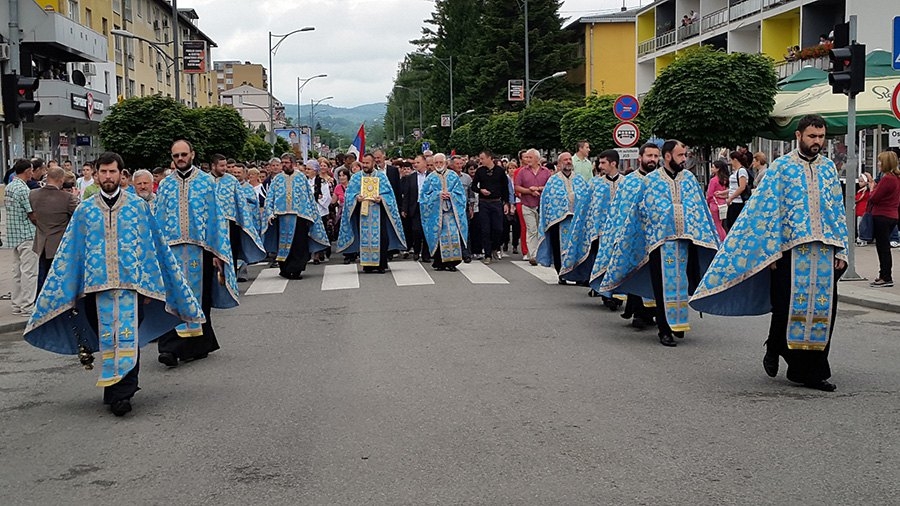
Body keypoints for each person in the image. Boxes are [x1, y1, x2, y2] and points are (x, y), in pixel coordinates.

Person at [24, 151, 204, 416]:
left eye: (112, 171)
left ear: (122, 175)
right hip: (96, 290)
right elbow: (71, 252)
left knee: (128, 338)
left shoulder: (137, 207)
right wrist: (72, 289)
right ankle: (114, 389)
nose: (108, 176)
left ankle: (124, 393)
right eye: (103, 172)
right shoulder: (85, 210)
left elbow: (152, 249)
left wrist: (149, 287)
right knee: (108, 338)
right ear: (96, 175)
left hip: (132, 288)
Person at [691, 114, 848, 391]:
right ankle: (780, 350)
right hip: (789, 251)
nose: (817, 142)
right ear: (798, 136)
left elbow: (836, 209)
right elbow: (765, 211)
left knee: (823, 310)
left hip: (823, 250)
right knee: (787, 307)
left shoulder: (828, 169)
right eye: (812, 136)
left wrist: (842, 250)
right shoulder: (781, 168)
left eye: (821, 137)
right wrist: (770, 251)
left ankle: (812, 369)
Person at [599, 140, 720, 347]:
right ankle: (664, 329)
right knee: (662, 286)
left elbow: (698, 207)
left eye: (685, 155)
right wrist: (674, 214)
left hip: (685, 240)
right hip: (659, 242)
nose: (684, 159)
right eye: (680, 155)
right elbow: (647, 209)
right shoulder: (651, 181)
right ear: (668, 156)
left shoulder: (689, 179)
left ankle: (678, 324)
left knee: (682, 282)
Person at [154, 139, 239, 367]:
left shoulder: (206, 183)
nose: (180, 159)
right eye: (176, 156)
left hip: (199, 250)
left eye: (183, 154)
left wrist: (217, 252)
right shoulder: (165, 185)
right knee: (171, 298)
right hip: (172, 252)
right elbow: (158, 219)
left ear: (192, 154)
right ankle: (169, 348)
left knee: (200, 299)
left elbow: (215, 218)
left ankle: (197, 345)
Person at [591, 143, 660, 326]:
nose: (652, 159)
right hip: (633, 237)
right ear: (640, 158)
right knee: (635, 272)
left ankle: (653, 313)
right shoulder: (629, 182)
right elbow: (620, 211)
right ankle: (638, 313)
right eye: (649, 156)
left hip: (657, 238)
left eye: (655, 156)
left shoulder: (661, 181)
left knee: (655, 276)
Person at [336, 153, 407, 273]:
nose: (364, 165)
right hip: (362, 213)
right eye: (363, 162)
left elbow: (390, 195)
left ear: (373, 163)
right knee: (364, 238)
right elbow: (349, 195)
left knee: (382, 238)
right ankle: (367, 265)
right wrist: (356, 197)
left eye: (367, 163)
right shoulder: (356, 177)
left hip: (379, 213)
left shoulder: (381, 177)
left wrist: (381, 199)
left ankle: (381, 264)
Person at [263, 153, 330, 279]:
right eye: (282, 162)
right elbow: (270, 197)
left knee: (298, 245)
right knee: (283, 245)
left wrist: (310, 214)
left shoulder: (301, 178)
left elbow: (308, 198)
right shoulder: (277, 179)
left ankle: (297, 268)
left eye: (286, 162)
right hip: (281, 217)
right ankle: (285, 269)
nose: (284, 165)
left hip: (299, 217)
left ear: (293, 164)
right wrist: (270, 213)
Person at [564, 149, 621, 292]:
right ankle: (598, 286)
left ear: (613, 163)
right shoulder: (595, 184)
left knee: (615, 260)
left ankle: (614, 291)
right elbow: (586, 206)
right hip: (598, 231)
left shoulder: (626, 183)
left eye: (603, 163)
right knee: (597, 258)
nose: (600, 166)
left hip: (619, 231)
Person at [210, 155, 266, 282]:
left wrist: (245, 222)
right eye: (222, 166)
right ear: (213, 166)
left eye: (226, 165)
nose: (225, 169)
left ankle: (232, 279)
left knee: (232, 252)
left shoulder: (231, 181)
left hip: (230, 223)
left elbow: (240, 203)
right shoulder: (205, 180)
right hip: (211, 225)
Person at [536, 152, 590, 283]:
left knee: (577, 247)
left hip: (576, 221)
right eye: (565, 160)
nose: (568, 162)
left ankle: (578, 275)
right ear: (559, 164)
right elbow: (549, 200)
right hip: (558, 221)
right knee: (558, 248)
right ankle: (561, 274)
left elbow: (586, 198)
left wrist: (576, 202)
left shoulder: (580, 180)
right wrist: (565, 205)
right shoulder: (553, 181)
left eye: (570, 159)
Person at [28, 166, 79, 293]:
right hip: (59, 245)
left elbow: (32, 216)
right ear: (61, 180)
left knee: (42, 277)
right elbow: (79, 216)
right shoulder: (67, 198)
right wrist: (75, 197)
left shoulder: (33, 194)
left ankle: (39, 304)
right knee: (58, 280)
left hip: (41, 243)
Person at [419, 153, 468, 272]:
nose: (438, 165)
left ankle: (452, 263)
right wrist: (437, 196)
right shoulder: (430, 178)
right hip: (437, 215)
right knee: (439, 238)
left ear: (446, 163)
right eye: (436, 163)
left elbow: (461, 195)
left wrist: (451, 196)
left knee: (453, 237)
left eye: (441, 162)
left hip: (451, 214)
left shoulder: (453, 176)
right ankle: (439, 262)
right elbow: (423, 197)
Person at [4, 159, 38, 317]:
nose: (32, 172)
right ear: (27, 171)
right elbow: (31, 213)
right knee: (29, 272)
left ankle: (17, 304)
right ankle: (27, 305)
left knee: (17, 271)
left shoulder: (9, 186)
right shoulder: (23, 189)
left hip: (13, 234)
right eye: (31, 170)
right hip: (26, 234)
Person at [867, 150, 900, 287]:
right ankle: (884, 275)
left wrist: (871, 186)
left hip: (882, 215)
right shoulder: (897, 178)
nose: (878, 163)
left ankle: (885, 276)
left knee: (883, 247)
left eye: (880, 161)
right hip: (892, 214)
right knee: (884, 246)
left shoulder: (887, 179)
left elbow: (874, 197)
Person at [515, 149, 552, 266]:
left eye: (530, 158)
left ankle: (543, 254)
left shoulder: (545, 172)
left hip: (542, 206)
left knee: (541, 230)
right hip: (527, 204)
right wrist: (529, 191)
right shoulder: (522, 172)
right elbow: (517, 187)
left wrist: (539, 188)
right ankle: (533, 255)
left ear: (537, 159)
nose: (527, 160)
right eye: (526, 158)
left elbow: (550, 186)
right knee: (532, 230)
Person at [472, 150, 510, 264]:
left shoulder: (500, 171)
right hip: (484, 202)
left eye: (482, 158)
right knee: (485, 229)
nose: (481, 161)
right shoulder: (480, 171)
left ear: (489, 158)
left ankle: (495, 247)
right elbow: (473, 186)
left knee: (498, 228)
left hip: (496, 202)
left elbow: (505, 188)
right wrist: (480, 190)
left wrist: (506, 203)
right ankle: (487, 254)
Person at [402, 154, 431, 262]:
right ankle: (416, 250)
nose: (416, 165)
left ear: (424, 163)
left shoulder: (431, 176)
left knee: (427, 231)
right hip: (415, 206)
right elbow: (407, 194)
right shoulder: (411, 178)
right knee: (416, 230)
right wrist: (404, 209)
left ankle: (426, 254)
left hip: (428, 207)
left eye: (418, 163)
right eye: (415, 163)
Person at [304, 159, 333, 264]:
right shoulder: (304, 181)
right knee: (308, 233)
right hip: (307, 211)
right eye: (306, 169)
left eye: (309, 169)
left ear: (315, 171)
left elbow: (327, 198)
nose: (307, 171)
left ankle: (318, 254)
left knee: (319, 233)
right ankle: (308, 253)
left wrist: (317, 198)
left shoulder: (322, 182)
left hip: (320, 211)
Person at [722, 151, 750, 231]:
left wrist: (731, 198)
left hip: (738, 202)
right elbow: (733, 187)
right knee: (729, 223)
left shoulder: (742, 171)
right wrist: (723, 193)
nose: (730, 163)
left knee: (733, 224)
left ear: (735, 160)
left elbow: (742, 187)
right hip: (733, 202)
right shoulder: (735, 172)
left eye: (731, 160)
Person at [706, 160, 729, 241]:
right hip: (722, 204)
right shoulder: (724, 179)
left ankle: (721, 240)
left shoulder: (713, 180)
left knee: (716, 225)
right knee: (720, 224)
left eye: (713, 167)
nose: (711, 169)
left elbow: (710, 194)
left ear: (718, 169)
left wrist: (707, 203)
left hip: (714, 204)